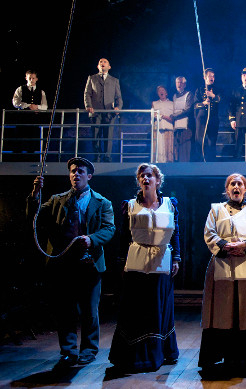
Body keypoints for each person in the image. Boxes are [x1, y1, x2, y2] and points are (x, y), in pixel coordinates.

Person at [26, 157, 115, 368]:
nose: (76, 174)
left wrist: (91, 239)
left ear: (89, 176)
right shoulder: (57, 200)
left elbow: (109, 229)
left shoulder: (102, 202)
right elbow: (35, 216)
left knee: (90, 310)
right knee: (65, 310)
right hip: (63, 265)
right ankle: (68, 350)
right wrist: (35, 194)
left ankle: (89, 350)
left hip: (89, 264)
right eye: (73, 171)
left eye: (81, 171)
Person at [108, 163, 181, 372]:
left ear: (158, 180)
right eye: (142, 176)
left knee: (158, 308)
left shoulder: (171, 204)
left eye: (150, 175)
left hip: (161, 259)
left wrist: (176, 258)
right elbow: (124, 235)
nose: (146, 179)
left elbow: (176, 233)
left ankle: (160, 353)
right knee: (137, 308)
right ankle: (136, 355)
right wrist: (122, 261)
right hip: (137, 259)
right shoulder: (129, 205)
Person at [199, 173, 246, 371]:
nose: (236, 187)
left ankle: (244, 356)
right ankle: (220, 353)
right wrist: (225, 245)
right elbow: (209, 232)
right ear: (227, 189)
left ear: (245, 189)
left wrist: (244, 245)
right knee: (221, 309)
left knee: (245, 308)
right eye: (232, 184)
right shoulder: (216, 210)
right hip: (222, 264)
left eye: (240, 184)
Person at [84, 58, 123, 162]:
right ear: (98, 66)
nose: (102, 63)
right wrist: (88, 105)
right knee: (95, 135)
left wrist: (118, 107)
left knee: (108, 135)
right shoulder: (92, 78)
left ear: (109, 67)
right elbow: (87, 93)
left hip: (109, 113)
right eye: (100, 62)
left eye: (105, 62)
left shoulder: (114, 80)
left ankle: (107, 157)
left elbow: (118, 97)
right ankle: (97, 156)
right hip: (95, 112)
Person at [10, 70, 48, 161]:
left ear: (36, 79)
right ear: (26, 78)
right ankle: (17, 158)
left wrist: (36, 106)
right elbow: (15, 102)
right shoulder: (20, 89)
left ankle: (32, 157)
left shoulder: (41, 92)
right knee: (19, 139)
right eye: (30, 78)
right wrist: (28, 106)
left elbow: (45, 106)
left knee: (33, 140)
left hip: (35, 119)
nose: (31, 80)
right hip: (22, 118)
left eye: (33, 78)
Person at [193, 68, 221, 162]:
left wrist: (213, 96)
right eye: (209, 76)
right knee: (200, 140)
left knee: (212, 141)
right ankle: (200, 160)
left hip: (213, 118)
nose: (212, 78)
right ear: (204, 77)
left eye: (213, 76)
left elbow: (220, 100)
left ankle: (211, 161)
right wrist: (204, 103)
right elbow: (195, 105)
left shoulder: (217, 89)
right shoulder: (199, 89)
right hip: (202, 118)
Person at [170, 76, 193, 162]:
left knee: (185, 146)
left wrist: (174, 115)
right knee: (177, 146)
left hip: (186, 125)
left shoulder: (189, 94)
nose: (179, 84)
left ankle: (185, 166)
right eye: (177, 82)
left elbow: (188, 109)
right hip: (176, 125)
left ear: (185, 84)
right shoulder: (174, 96)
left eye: (181, 82)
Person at [152, 86, 175, 163]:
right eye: (159, 91)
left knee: (168, 149)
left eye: (163, 90)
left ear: (166, 93)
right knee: (158, 148)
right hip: (158, 128)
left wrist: (163, 116)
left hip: (169, 128)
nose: (161, 92)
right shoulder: (154, 103)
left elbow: (173, 117)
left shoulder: (172, 103)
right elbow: (153, 116)